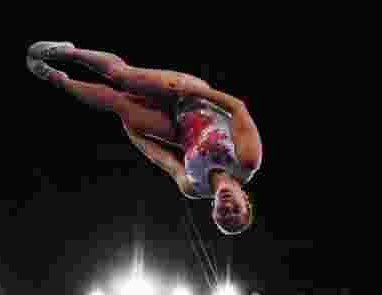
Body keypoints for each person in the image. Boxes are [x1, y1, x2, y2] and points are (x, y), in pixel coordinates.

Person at [26, 41, 262, 235]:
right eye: (236, 210)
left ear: (213, 210)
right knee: (123, 77)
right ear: (245, 201)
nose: (227, 207)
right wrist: (196, 91)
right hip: (198, 99)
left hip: (177, 127)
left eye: (223, 214)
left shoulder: (192, 186)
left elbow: (161, 158)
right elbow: (237, 107)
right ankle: (71, 52)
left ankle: (57, 78)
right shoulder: (246, 160)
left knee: (119, 104)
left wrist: (134, 133)